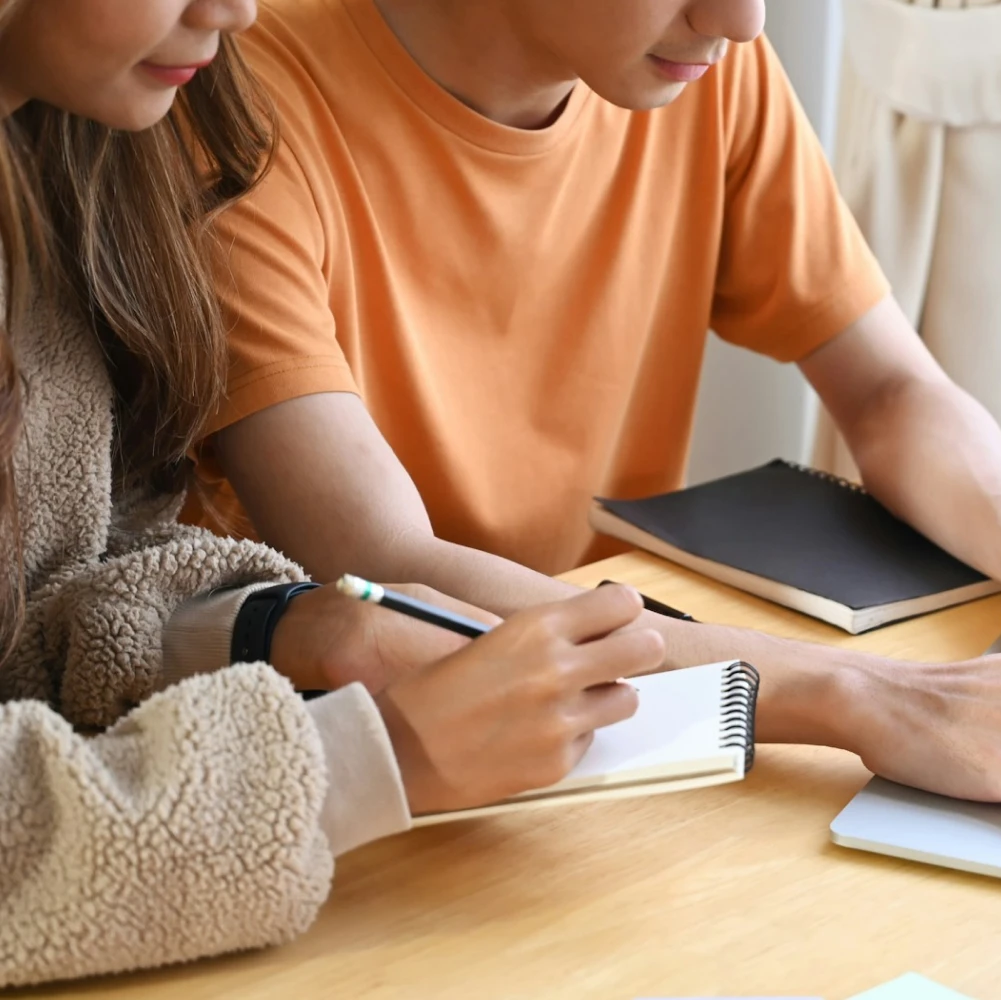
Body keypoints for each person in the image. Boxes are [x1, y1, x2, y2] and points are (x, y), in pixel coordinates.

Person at [195, 0, 1001, 840]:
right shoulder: (234, 97)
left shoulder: (695, 62)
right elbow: (388, 570)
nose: (745, 20)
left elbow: (888, 388)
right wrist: (870, 697)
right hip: (341, 774)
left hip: (617, 726)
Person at [0, 0, 662, 986]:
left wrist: (278, 629)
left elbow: (48, 604)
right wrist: (373, 759)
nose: (239, 9)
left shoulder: (59, 171)